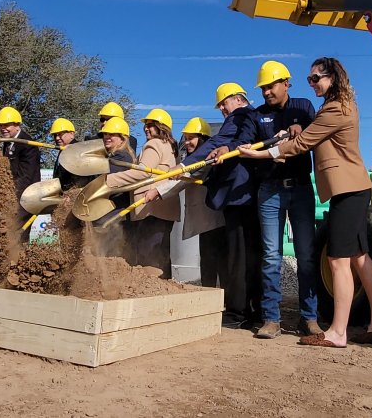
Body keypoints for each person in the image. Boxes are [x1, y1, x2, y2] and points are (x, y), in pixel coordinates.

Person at [240, 57, 372, 348]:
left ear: (332, 77)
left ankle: (337, 331)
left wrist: (259, 154)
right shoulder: (339, 105)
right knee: (360, 257)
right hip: (354, 187)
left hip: (347, 190)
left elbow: (302, 144)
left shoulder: (335, 108)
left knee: (338, 260)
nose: (312, 84)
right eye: (310, 79)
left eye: (316, 78)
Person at [251, 59, 321, 339]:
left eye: (271, 86)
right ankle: (271, 319)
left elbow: (312, 135)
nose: (267, 92)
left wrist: (297, 131)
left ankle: (309, 318)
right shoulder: (258, 116)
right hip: (270, 189)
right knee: (271, 257)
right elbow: (252, 151)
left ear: (286, 84)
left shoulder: (303, 106)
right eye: (263, 88)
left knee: (306, 256)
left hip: (301, 188)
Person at [183, 82, 263, 328]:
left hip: (239, 197)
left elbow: (221, 140)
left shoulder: (241, 115)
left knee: (238, 256)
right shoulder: (255, 116)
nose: (222, 109)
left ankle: (236, 313)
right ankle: (254, 311)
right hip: (251, 194)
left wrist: (186, 164)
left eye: (223, 103)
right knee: (251, 254)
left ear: (238, 99)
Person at [105, 108, 180, 278]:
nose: (146, 128)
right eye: (146, 125)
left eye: (151, 125)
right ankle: (164, 293)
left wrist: (109, 180)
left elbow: (143, 172)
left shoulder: (153, 144)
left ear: (162, 127)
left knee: (149, 258)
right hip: (165, 208)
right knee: (161, 254)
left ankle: (152, 296)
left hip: (150, 208)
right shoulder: (170, 146)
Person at [179, 117, 228, 288]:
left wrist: (157, 190)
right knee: (207, 259)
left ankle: (223, 299)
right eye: (185, 138)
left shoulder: (207, 160)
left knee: (217, 259)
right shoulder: (189, 159)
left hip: (212, 217)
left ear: (203, 139)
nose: (187, 142)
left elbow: (189, 177)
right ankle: (209, 296)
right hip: (204, 220)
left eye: (190, 138)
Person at [90, 116, 137, 256]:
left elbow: (103, 182)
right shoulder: (112, 156)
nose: (107, 137)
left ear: (122, 138)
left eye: (112, 134)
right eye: (105, 134)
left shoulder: (122, 157)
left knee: (108, 257)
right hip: (108, 214)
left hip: (113, 216)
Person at [0, 106, 41, 242]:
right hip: (12, 195)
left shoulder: (27, 143)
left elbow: (27, 175)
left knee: (19, 229)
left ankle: (19, 258)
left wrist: (10, 193)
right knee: (6, 228)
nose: (3, 128)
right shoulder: (8, 142)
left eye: (7, 125)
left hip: (25, 196)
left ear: (17, 125)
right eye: (1, 125)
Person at [49, 117, 88, 191]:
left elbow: (81, 178)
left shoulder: (79, 150)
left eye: (60, 134)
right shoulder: (62, 150)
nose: (57, 138)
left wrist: (71, 194)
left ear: (72, 134)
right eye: (55, 135)